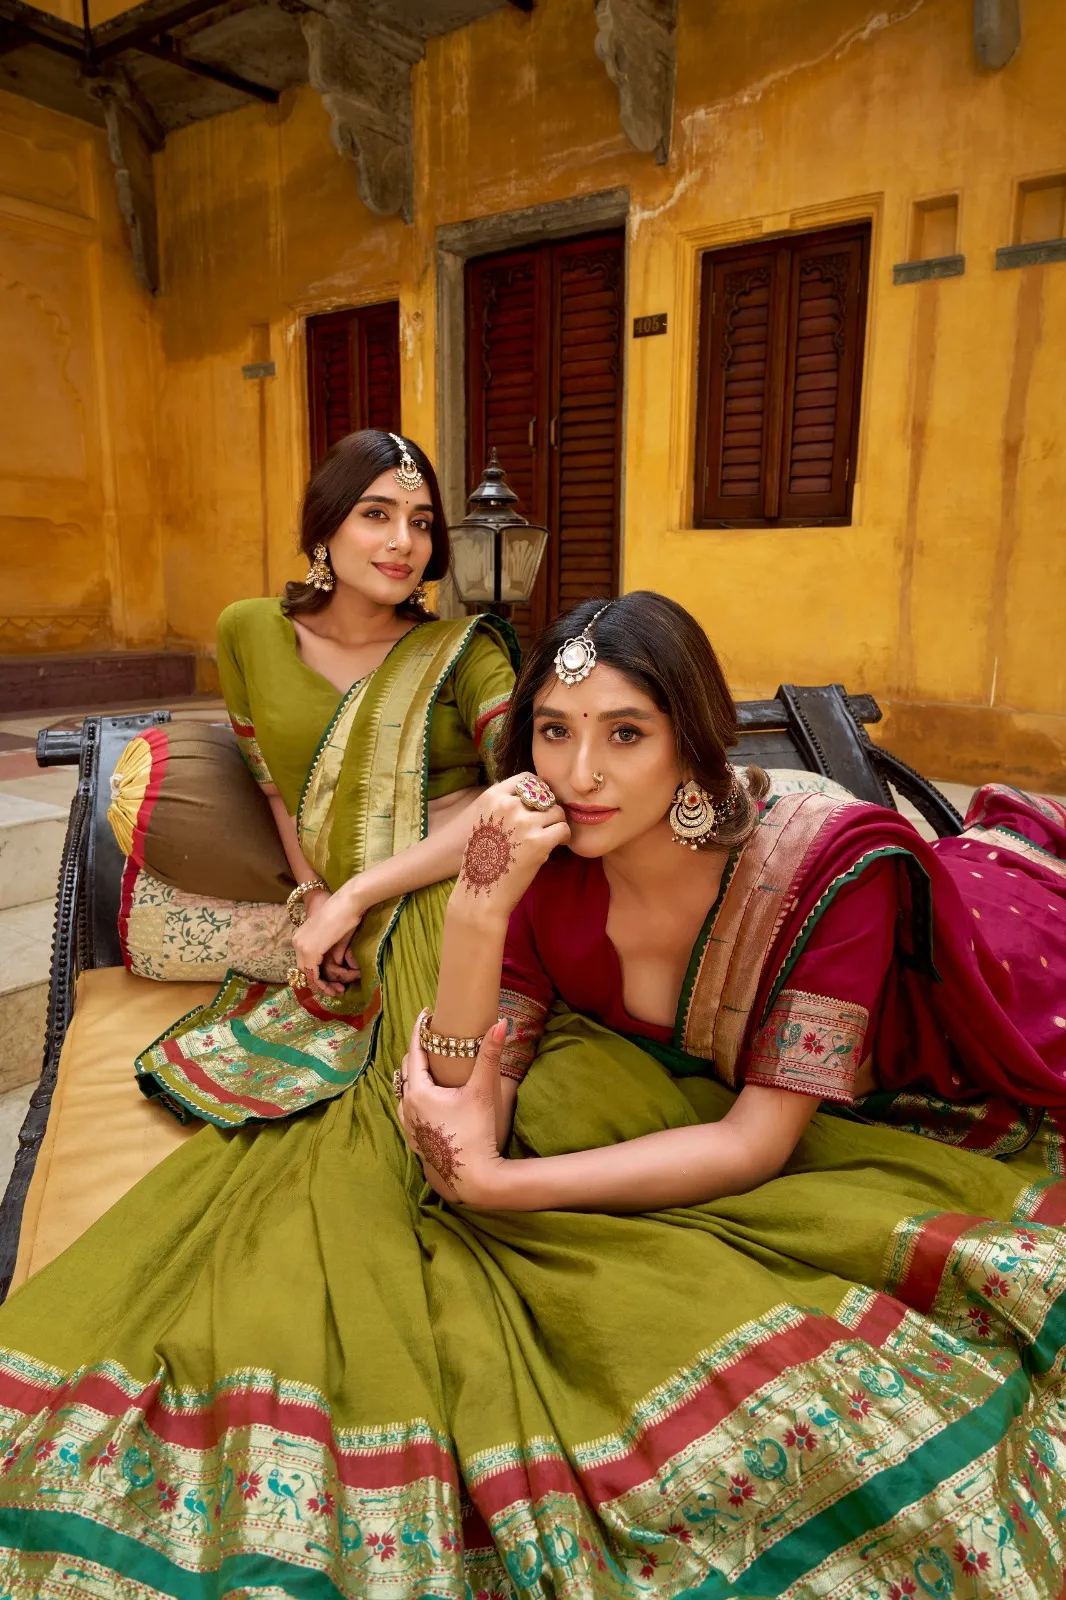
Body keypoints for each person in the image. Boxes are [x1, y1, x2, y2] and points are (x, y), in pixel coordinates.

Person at [0, 594, 1062, 1599]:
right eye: (553, 731)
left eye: (626, 734)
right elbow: (472, 1076)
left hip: (1008, 966)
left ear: (693, 741)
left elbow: (753, 1143)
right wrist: (474, 910)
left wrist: (502, 1187)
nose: (582, 771)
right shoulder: (557, 865)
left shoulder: (827, 875)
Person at [135, 427, 518, 1123]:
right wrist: (315, 899)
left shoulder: (463, 649)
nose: (403, 540)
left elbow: (523, 794)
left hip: (462, 897)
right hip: (348, 921)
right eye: (376, 514)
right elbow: (278, 788)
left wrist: (356, 896)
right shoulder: (249, 631)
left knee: (421, 1104)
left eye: (421, 522)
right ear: (324, 529)